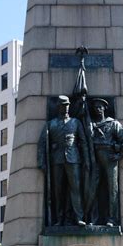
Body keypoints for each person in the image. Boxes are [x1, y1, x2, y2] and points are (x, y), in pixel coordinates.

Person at [38, 95, 89, 226]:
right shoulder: (51, 124)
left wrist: (87, 159)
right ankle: (60, 219)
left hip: (73, 159)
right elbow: (42, 144)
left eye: (67, 105)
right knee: (58, 192)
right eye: (63, 105)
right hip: (57, 160)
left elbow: (83, 142)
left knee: (75, 189)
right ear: (58, 107)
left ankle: (79, 217)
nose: (65, 107)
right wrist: (42, 162)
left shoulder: (76, 122)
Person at [89, 98, 123, 226]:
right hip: (94, 158)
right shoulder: (90, 124)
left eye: (99, 107)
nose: (97, 109)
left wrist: (119, 155)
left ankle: (111, 219)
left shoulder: (113, 124)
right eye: (95, 107)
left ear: (104, 108)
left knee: (111, 189)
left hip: (109, 157)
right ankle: (93, 218)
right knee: (92, 189)